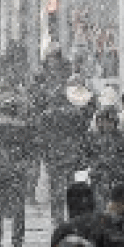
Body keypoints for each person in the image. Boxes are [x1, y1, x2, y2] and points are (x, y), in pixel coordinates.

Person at [0, 96, 37, 247]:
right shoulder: (23, 127)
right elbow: (31, 150)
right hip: (18, 171)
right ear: (15, 110)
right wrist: (23, 162)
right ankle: (17, 239)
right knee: (18, 205)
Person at [37, 89, 95, 226]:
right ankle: (72, 214)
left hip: (54, 156)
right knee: (71, 186)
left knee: (55, 187)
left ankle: (57, 217)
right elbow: (83, 134)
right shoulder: (76, 113)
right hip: (71, 155)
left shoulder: (46, 115)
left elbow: (42, 137)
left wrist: (44, 154)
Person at [87, 106, 124, 211]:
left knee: (117, 207)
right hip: (98, 177)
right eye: (100, 121)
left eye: (107, 121)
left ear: (114, 122)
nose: (103, 124)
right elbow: (85, 154)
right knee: (99, 207)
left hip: (117, 177)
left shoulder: (123, 136)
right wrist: (94, 165)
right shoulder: (92, 136)